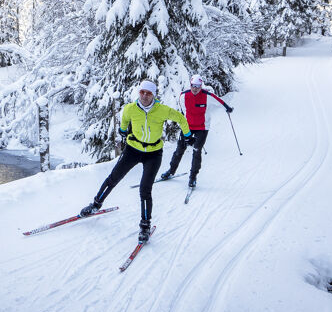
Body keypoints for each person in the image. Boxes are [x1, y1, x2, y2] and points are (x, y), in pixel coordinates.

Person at [79, 79, 191, 242]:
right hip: (133, 149)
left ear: (154, 95)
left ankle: (145, 226)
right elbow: (124, 121)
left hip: (153, 153)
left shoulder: (163, 110)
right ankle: (96, 204)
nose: (145, 96)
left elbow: (181, 118)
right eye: (142, 92)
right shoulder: (130, 109)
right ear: (139, 93)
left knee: (145, 189)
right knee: (113, 178)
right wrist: (123, 131)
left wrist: (187, 135)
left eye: (149, 93)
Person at [158, 73, 232, 188]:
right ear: (190, 85)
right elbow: (183, 111)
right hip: (187, 127)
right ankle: (171, 171)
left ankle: (193, 177)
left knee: (197, 151)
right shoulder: (183, 96)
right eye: (193, 85)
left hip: (202, 127)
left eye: (198, 86)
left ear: (201, 86)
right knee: (179, 149)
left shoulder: (207, 96)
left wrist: (228, 108)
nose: (195, 88)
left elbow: (220, 102)